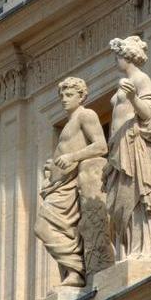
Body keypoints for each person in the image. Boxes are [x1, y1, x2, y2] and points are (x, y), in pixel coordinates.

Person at [104, 36, 151, 260]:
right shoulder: (126, 82)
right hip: (118, 148)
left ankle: (141, 247)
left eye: (118, 57)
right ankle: (126, 249)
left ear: (127, 57)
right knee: (119, 201)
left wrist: (133, 98)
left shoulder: (141, 80)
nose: (116, 62)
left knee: (134, 194)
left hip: (134, 147)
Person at [35, 77, 107, 287]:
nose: (64, 100)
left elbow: (101, 146)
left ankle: (77, 268)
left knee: (43, 226)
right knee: (56, 228)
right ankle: (74, 271)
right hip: (60, 185)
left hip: (71, 184)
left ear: (81, 96)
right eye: (62, 96)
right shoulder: (68, 123)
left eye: (69, 95)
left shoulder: (86, 115)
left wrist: (72, 157)